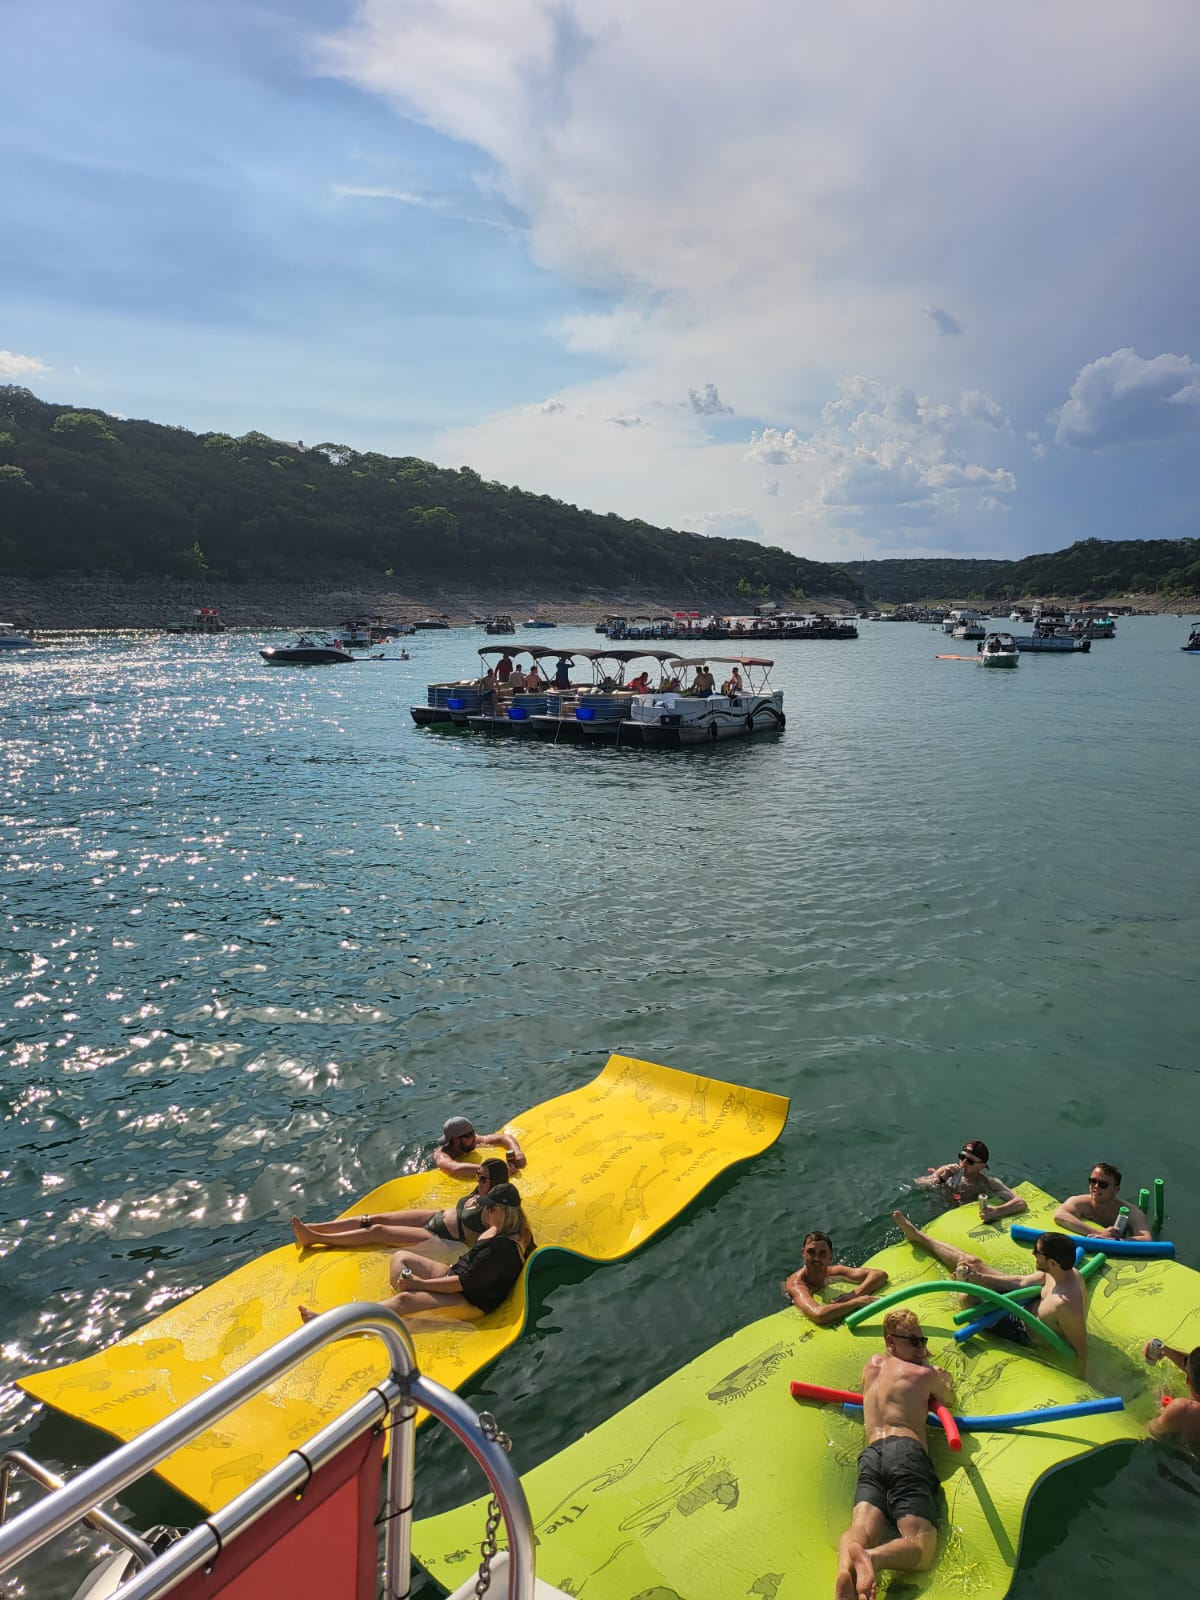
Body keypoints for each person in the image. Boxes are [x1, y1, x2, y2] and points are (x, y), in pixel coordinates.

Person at [834, 1308, 954, 1600]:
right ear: (890, 1341)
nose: (922, 1348)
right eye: (914, 1342)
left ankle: (845, 1569)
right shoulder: (924, 1374)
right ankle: (873, 1559)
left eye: (922, 1340)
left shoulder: (870, 1366)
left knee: (861, 1528)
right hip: (905, 1451)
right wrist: (941, 1376)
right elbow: (949, 1398)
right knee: (922, 1547)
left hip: (871, 1454)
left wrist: (916, 1353)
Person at [300, 1185, 535, 1324]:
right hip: (459, 1275)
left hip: (471, 1300)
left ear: (504, 1212)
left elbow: (463, 1284)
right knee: (401, 1258)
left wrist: (423, 1284)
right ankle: (410, 1300)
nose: (485, 1211)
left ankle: (330, 1322)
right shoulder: (513, 1231)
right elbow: (470, 1273)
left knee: (405, 1300)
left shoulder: (501, 1247)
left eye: (490, 1208)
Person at [892, 1212, 1088, 1368]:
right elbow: (1021, 1283)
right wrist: (981, 1279)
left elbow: (1081, 1351)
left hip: (1020, 1329)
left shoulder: (1066, 1304)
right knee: (972, 1263)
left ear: (1052, 1262)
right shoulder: (1061, 1272)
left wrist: (972, 1284)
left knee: (967, 1298)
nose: (1033, 1253)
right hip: (1022, 1302)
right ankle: (917, 1236)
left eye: (1038, 1252)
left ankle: (963, 1282)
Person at [290, 1158, 511, 1253]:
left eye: (483, 1178)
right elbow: (456, 1168)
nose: (478, 1180)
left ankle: (316, 1239)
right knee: (375, 1218)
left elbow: (498, 1234)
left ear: (496, 1183)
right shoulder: (482, 1188)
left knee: (378, 1231)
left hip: (444, 1239)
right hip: (437, 1216)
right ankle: (317, 1226)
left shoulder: (496, 1210)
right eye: (478, 1175)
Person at [784, 1230, 889, 1326]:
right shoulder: (797, 1285)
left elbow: (880, 1275)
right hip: (787, 1299)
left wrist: (854, 1294)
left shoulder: (834, 1272)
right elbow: (818, 1315)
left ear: (830, 1256)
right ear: (803, 1253)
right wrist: (856, 1302)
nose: (816, 1258)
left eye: (822, 1253)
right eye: (811, 1252)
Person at [913, 1140, 1027, 1223]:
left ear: (982, 1166)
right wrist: (941, 1179)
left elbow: (1020, 1202)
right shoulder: (947, 1170)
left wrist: (996, 1211)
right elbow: (918, 1183)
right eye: (962, 1157)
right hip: (939, 1210)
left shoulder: (988, 1182)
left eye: (970, 1161)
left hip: (965, 1218)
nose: (964, 1163)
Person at [1053, 1163, 1152, 1240]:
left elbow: (1147, 1239)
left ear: (1116, 1189)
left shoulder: (1132, 1212)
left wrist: (1117, 1241)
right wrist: (1098, 1233)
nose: (1096, 1187)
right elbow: (1059, 1215)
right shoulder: (1080, 1202)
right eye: (1093, 1181)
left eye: (1103, 1184)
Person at [1144, 1341, 1200, 1445]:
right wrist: (1166, 1350)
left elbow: (1151, 1429)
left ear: (1187, 1380)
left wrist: (1162, 1406)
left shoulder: (1185, 1409)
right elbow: (1195, 1366)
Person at [436, 1115, 526, 1177]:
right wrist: (497, 1171)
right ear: (456, 1141)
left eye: (473, 1133)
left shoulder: (470, 1141)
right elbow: (456, 1169)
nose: (475, 1137)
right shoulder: (442, 1156)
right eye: (470, 1135)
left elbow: (502, 1138)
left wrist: (517, 1151)